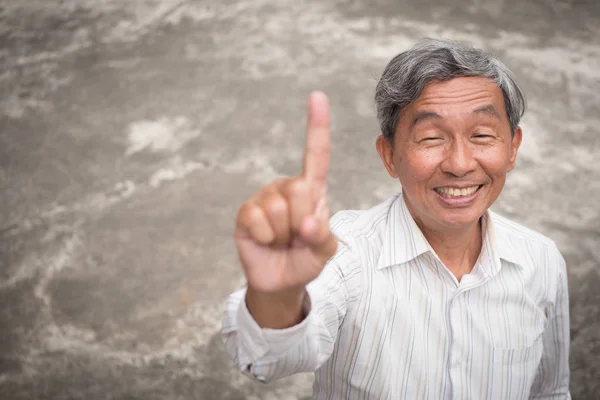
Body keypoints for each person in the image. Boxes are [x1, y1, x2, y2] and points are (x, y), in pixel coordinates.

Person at [221, 38, 571, 399]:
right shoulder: (345, 253)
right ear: (389, 156)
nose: (460, 164)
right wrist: (278, 294)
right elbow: (269, 359)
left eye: (481, 135)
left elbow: (551, 390)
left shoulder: (541, 261)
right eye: (431, 138)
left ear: (512, 148)